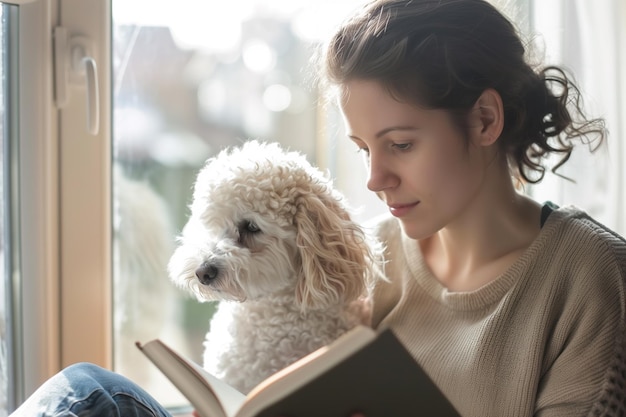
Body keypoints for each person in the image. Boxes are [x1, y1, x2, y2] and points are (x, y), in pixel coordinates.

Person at [11, 0, 626, 416]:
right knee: (88, 389)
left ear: (486, 119)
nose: (376, 177)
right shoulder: (380, 249)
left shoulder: (588, 276)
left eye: (401, 145)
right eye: (362, 148)